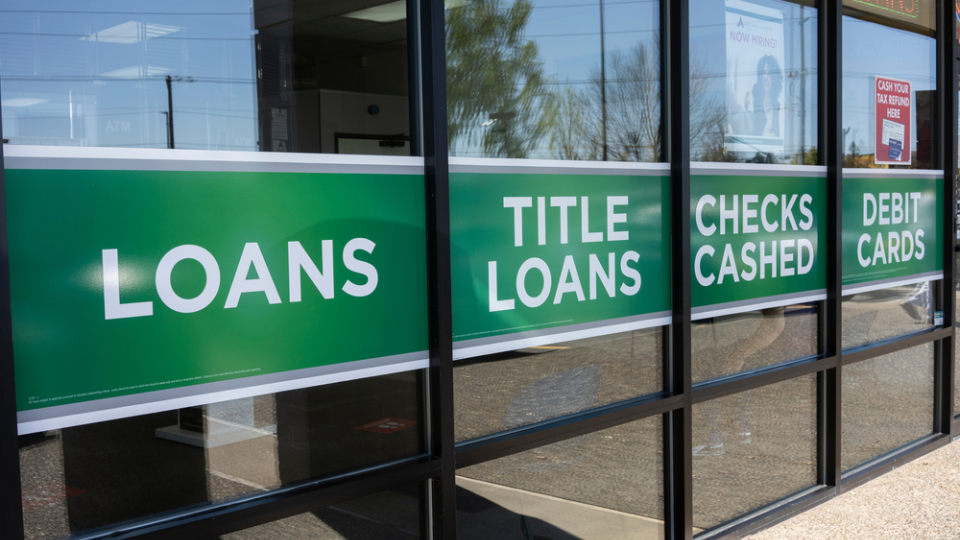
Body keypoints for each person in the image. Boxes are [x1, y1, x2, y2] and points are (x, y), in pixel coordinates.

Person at [742, 55, 783, 138]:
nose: (766, 77)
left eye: (769, 74)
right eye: (764, 72)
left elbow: (777, 135)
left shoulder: (776, 104)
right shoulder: (752, 96)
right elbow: (747, 129)